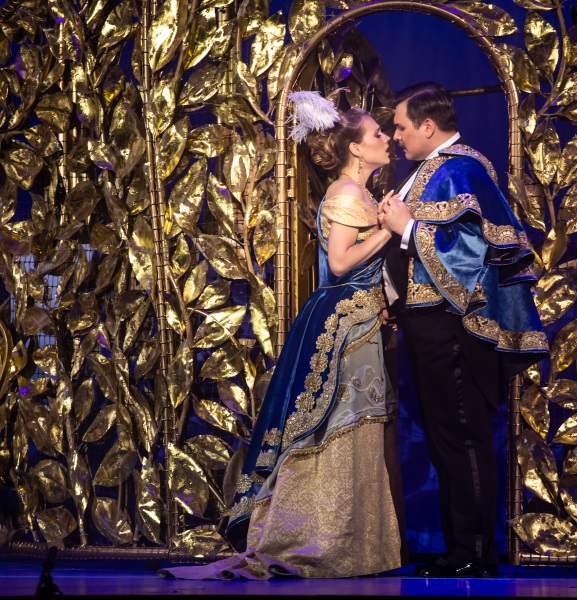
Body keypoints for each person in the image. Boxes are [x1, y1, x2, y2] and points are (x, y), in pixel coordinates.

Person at [162, 92, 405, 579]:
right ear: (356, 149)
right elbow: (340, 263)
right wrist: (389, 229)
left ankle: (352, 544)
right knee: (341, 422)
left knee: (359, 421)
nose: (386, 139)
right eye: (378, 134)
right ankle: (321, 540)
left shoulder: (360, 195)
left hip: (359, 323)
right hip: (342, 325)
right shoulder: (346, 194)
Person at [379, 83, 548, 578]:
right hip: (427, 326)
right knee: (444, 437)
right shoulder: (431, 170)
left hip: (454, 327)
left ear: (428, 126)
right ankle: (461, 547)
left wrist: (408, 228)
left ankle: (474, 551)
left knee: (462, 436)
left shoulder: (461, 169)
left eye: (401, 127)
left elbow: (471, 254)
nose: (396, 136)